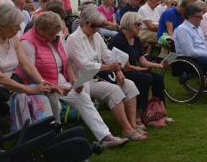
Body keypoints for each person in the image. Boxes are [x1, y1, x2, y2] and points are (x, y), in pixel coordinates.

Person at [17, 11, 126, 148]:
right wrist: (52, 86)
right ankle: (55, 139)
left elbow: (66, 61)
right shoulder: (27, 42)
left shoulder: (57, 36)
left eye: (56, 33)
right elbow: (29, 71)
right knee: (54, 102)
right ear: (40, 30)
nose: (55, 37)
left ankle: (105, 136)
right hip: (39, 85)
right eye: (51, 34)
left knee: (83, 97)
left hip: (60, 81)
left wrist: (73, 80)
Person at [66, 6, 146, 141]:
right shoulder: (73, 39)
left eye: (99, 25)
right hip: (82, 80)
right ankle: (127, 130)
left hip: (97, 77)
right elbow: (85, 66)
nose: (96, 29)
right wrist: (109, 67)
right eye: (94, 25)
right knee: (114, 90)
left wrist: (118, 70)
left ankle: (132, 125)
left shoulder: (96, 35)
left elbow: (108, 55)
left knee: (129, 85)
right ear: (84, 23)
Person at [0, 0, 55, 131]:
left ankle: (49, 129)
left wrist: (42, 82)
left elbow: (27, 65)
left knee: (46, 93)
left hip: (9, 85)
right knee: (29, 98)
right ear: (2, 26)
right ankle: (32, 133)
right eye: (16, 26)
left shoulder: (12, 38)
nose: (19, 28)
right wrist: (28, 89)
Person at [107, 12, 169, 121]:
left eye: (141, 24)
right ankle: (141, 112)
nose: (141, 27)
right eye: (138, 24)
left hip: (132, 69)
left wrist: (158, 65)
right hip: (119, 72)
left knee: (158, 78)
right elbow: (120, 64)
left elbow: (142, 61)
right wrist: (140, 69)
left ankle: (159, 111)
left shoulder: (136, 39)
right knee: (145, 78)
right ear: (129, 24)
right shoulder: (118, 40)